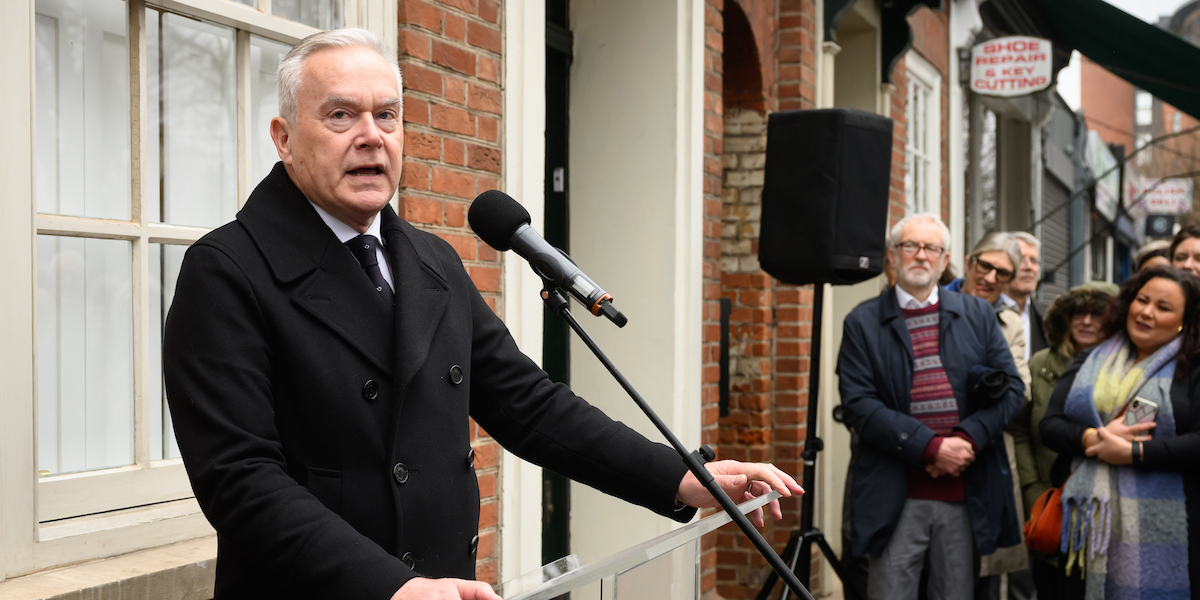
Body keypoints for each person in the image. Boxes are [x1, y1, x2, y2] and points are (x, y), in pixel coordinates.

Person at [161, 28, 801, 600]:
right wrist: (392, 587)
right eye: (340, 116)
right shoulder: (227, 270)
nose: (371, 137)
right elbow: (241, 481)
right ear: (284, 138)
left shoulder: (430, 261)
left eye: (388, 116)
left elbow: (530, 406)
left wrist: (682, 476)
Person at [838, 213, 1025, 600]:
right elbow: (859, 405)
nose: (921, 255)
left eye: (932, 248)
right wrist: (931, 447)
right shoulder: (862, 322)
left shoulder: (978, 316)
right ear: (892, 256)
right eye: (911, 246)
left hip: (965, 492)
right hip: (895, 494)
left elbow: (1013, 390)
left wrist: (968, 439)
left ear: (945, 260)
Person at [1040, 267, 1200, 599]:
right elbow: (1050, 425)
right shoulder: (1092, 358)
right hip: (1088, 525)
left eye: (1163, 307)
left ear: (1186, 320)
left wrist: (1134, 453)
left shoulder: (1193, 369)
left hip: (1177, 525)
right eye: (1142, 300)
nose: (1146, 312)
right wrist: (1092, 439)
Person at [1006, 282, 1116, 598]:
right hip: (1049, 499)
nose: (1086, 321)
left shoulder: (1125, 367)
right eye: (1078, 313)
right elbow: (1021, 430)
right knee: (1051, 585)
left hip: (1103, 502)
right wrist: (1032, 488)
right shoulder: (1040, 364)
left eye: (1097, 314)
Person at [947, 233, 1031, 387]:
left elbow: (1021, 388)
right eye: (985, 266)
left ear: (1010, 282)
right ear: (968, 263)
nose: (990, 278)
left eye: (1003, 273)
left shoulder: (1011, 324)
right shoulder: (931, 304)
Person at [1002, 232, 1049, 359]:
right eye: (1021, 259)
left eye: (1033, 260)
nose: (1029, 267)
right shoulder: (983, 312)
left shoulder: (1048, 317)